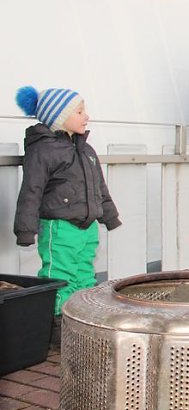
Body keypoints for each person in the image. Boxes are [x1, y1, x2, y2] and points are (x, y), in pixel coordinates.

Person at [13, 86, 121, 338]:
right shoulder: (44, 150)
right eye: (80, 111)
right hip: (60, 226)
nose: (87, 116)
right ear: (59, 117)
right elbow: (31, 190)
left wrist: (109, 215)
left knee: (84, 274)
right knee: (60, 275)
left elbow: (99, 187)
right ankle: (57, 326)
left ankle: (83, 321)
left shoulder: (86, 150)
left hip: (87, 226)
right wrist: (26, 230)